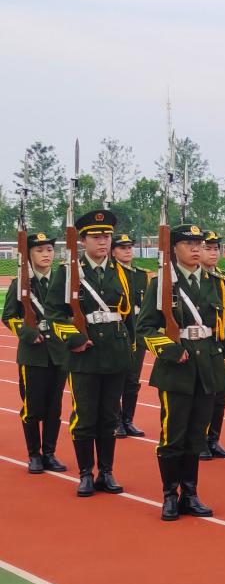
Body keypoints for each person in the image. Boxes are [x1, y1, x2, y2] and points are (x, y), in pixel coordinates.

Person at [137, 223, 225, 521]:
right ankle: (169, 495)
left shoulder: (216, 282)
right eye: (189, 244)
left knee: (196, 435)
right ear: (173, 248)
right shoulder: (162, 284)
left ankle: (190, 493)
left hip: (206, 367)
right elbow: (145, 328)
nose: (196, 248)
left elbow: (223, 326)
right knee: (173, 435)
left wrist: (222, 358)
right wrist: (171, 351)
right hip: (177, 369)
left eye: (199, 243)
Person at [46, 209, 135, 497]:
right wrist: (74, 339)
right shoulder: (68, 272)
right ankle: (86, 473)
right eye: (96, 237)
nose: (103, 241)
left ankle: (106, 472)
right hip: (84, 354)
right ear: (83, 240)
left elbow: (129, 317)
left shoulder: (123, 272)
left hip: (115, 352)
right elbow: (53, 313)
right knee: (85, 417)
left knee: (109, 417)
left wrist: (130, 351)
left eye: (106, 236)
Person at [3, 232, 68, 474]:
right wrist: (27, 333)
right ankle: (34, 455)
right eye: (39, 250)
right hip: (33, 355)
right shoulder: (21, 284)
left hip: (58, 353)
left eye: (49, 250)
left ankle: (49, 453)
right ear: (28, 254)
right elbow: (9, 316)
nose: (46, 254)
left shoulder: (62, 282)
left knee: (54, 408)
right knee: (32, 407)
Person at [198, 231, 225, 459]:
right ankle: (200, 440)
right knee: (205, 395)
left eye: (216, 249)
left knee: (220, 396)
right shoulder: (194, 278)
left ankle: (213, 439)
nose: (213, 253)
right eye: (208, 248)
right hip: (204, 343)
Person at [111, 234, 148, 438]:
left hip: (137, 333)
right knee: (117, 378)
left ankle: (128, 419)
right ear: (113, 251)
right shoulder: (111, 273)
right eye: (122, 248)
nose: (127, 251)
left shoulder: (141, 275)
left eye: (129, 247)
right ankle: (116, 421)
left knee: (133, 380)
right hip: (118, 333)